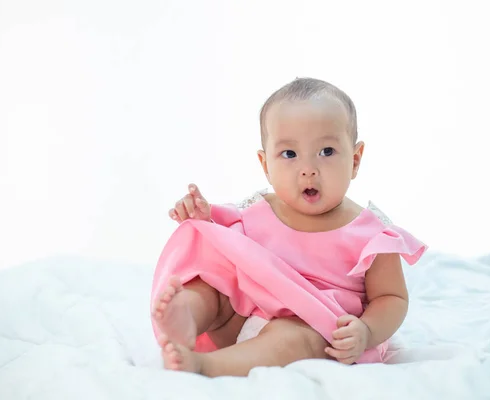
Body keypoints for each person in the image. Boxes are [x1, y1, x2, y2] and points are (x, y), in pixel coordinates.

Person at [150, 77, 427, 377]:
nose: (308, 169)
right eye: (290, 155)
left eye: (327, 151)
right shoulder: (257, 210)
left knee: (294, 338)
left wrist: (367, 331)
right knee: (211, 285)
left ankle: (207, 366)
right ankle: (187, 316)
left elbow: (392, 298)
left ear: (356, 159)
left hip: (312, 326)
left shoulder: (371, 234)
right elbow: (228, 250)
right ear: (266, 164)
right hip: (245, 317)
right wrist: (202, 219)